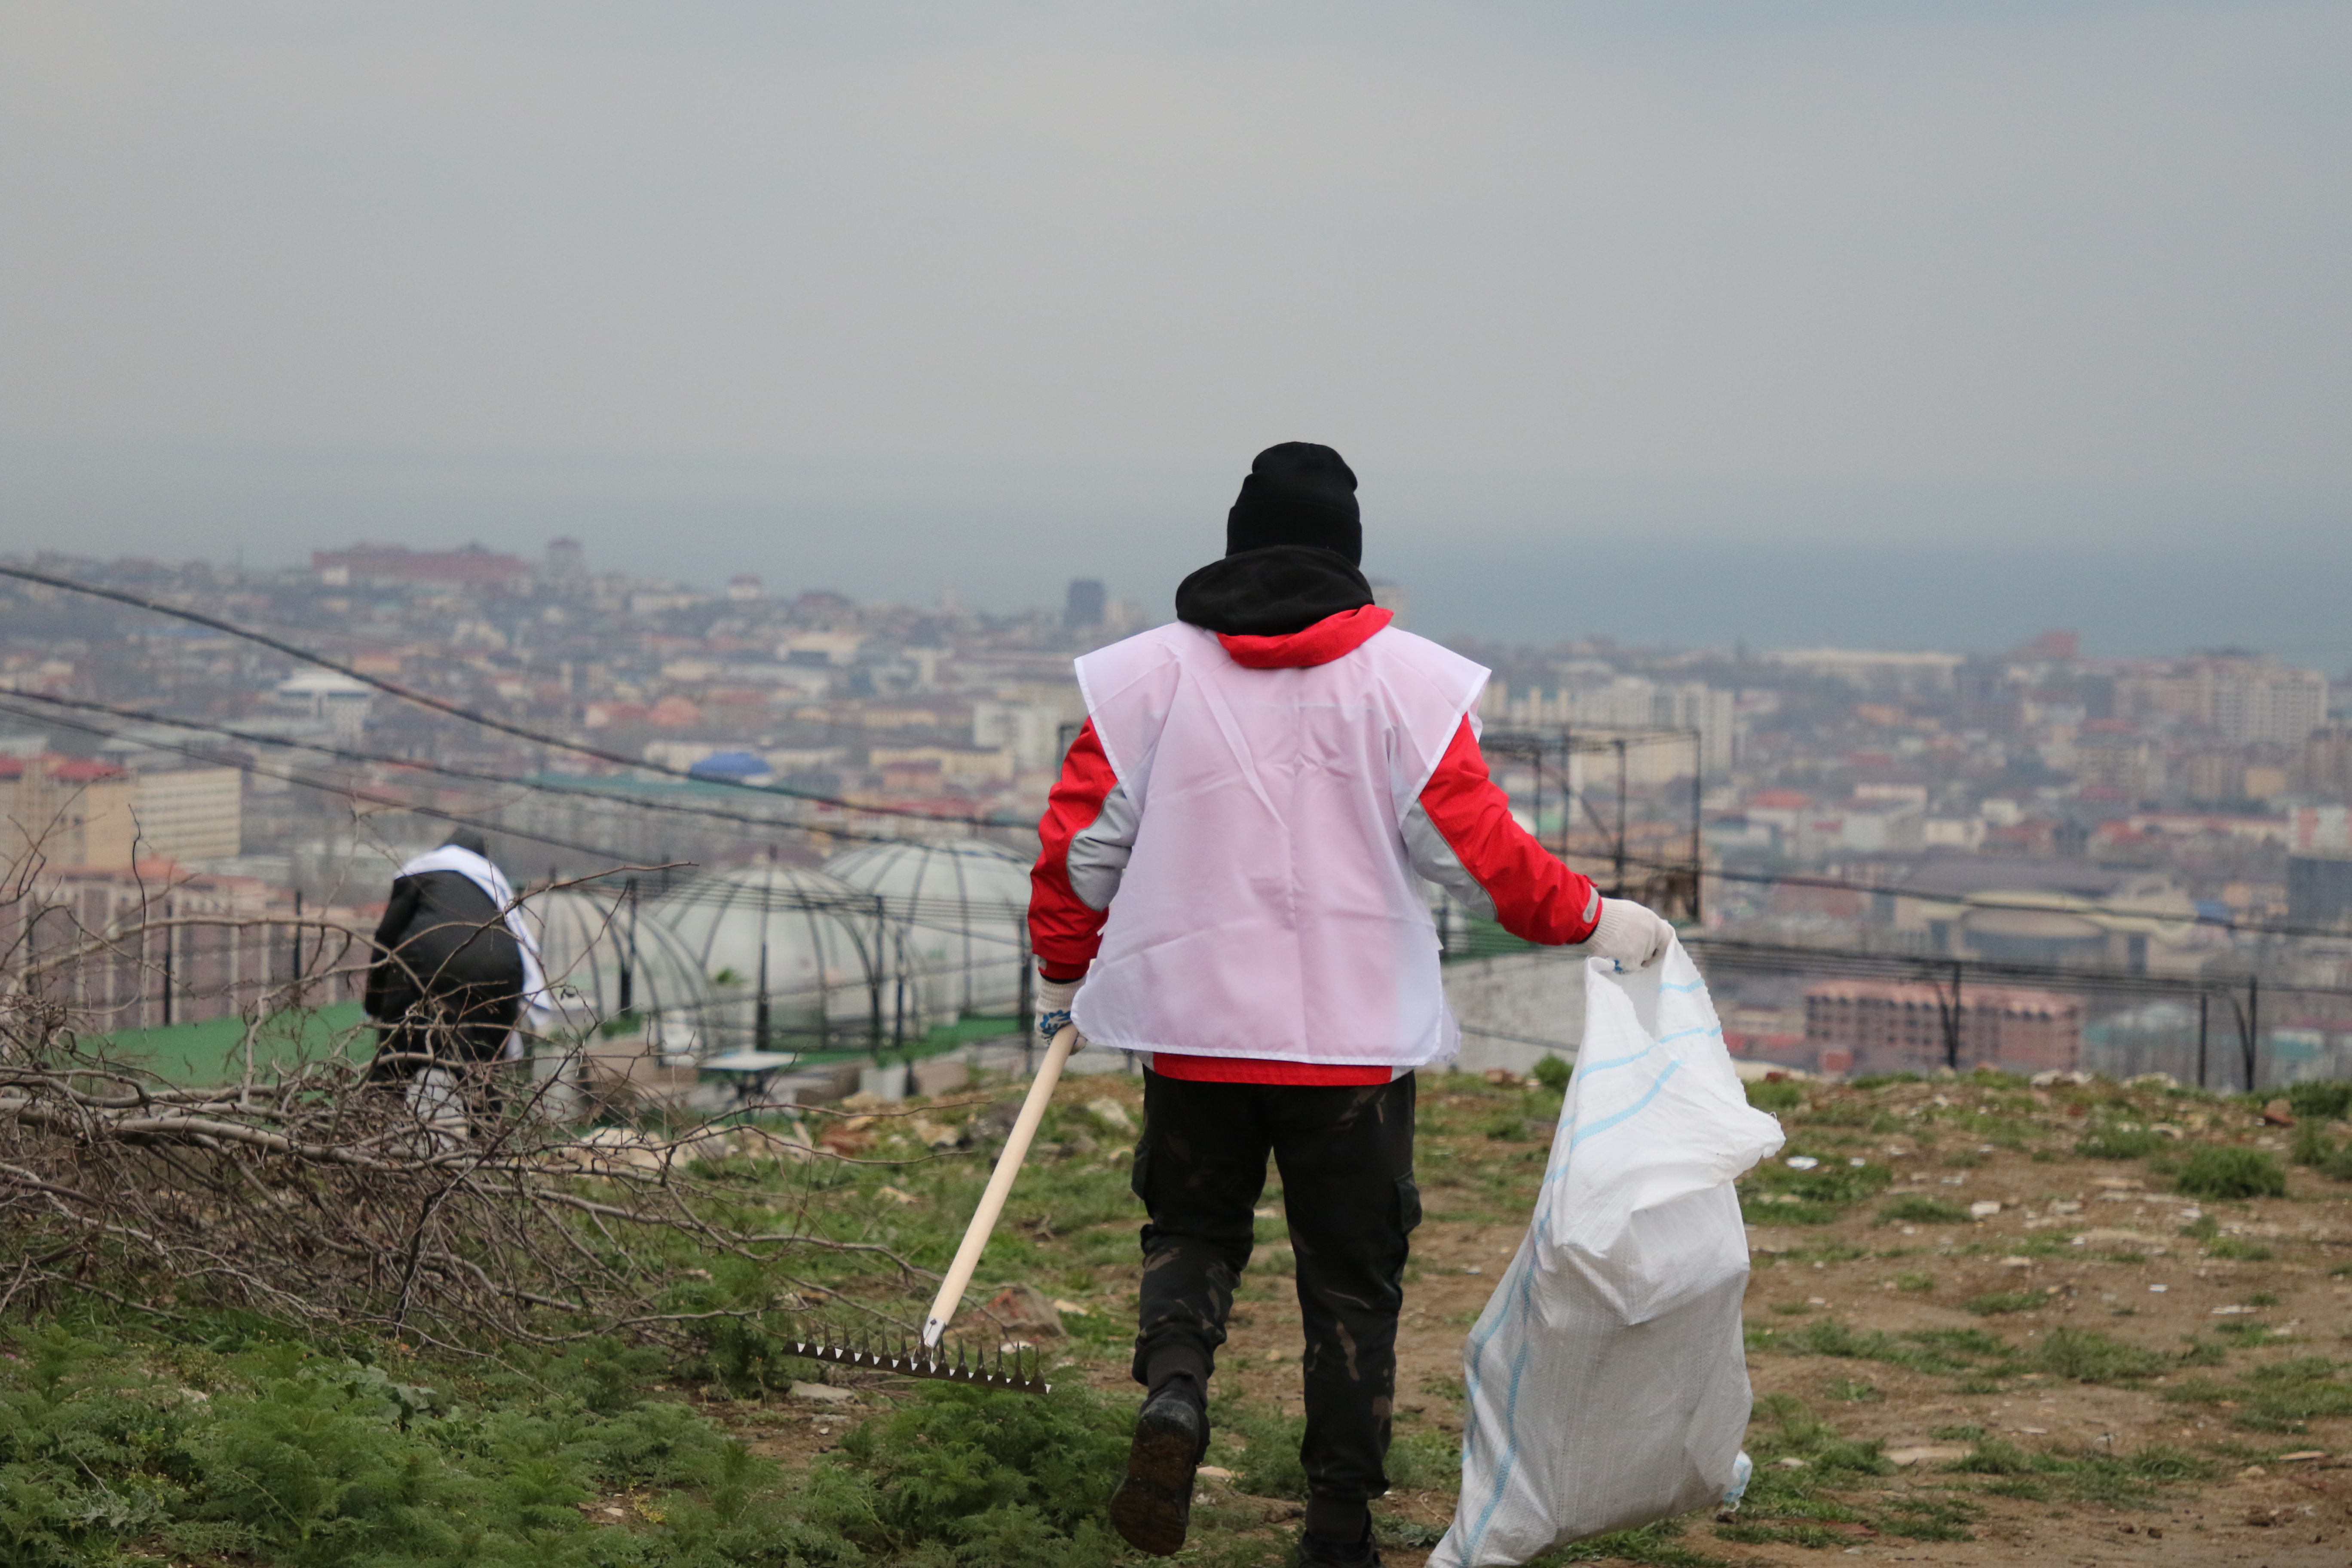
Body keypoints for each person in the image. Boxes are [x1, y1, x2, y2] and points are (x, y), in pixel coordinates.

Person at [1027, 442, 1678, 1566]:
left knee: (1191, 1232)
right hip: (1353, 1055)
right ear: (1351, 553)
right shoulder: (1409, 685)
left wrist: (1063, 969)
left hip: (1190, 1034)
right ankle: (1337, 1528)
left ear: (1235, 543)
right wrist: (1596, 919)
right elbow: (1482, 856)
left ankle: (1175, 1395)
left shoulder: (1144, 680)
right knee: (1351, 1279)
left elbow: (1084, 849)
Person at [364, 830, 548, 1133]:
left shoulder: (420, 873)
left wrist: (375, 1004)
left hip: (425, 969)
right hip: (499, 972)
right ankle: (489, 1157)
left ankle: (366, 1143)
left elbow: (386, 938)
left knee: (393, 1066)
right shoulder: (493, 886)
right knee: (480, 1075)